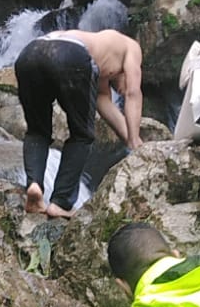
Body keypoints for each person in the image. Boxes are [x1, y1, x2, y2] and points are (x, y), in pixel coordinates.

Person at [15, 27, 144, 218]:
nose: (121, 92)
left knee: (37, 131)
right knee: (82, 135)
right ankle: (61, 202)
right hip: (68, 55)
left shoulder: (101, 52)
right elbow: (133, 93)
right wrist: (136, 142)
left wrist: (131, 140)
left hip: (30, 54)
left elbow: (103, 101)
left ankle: (34, 187)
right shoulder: (131, 46)